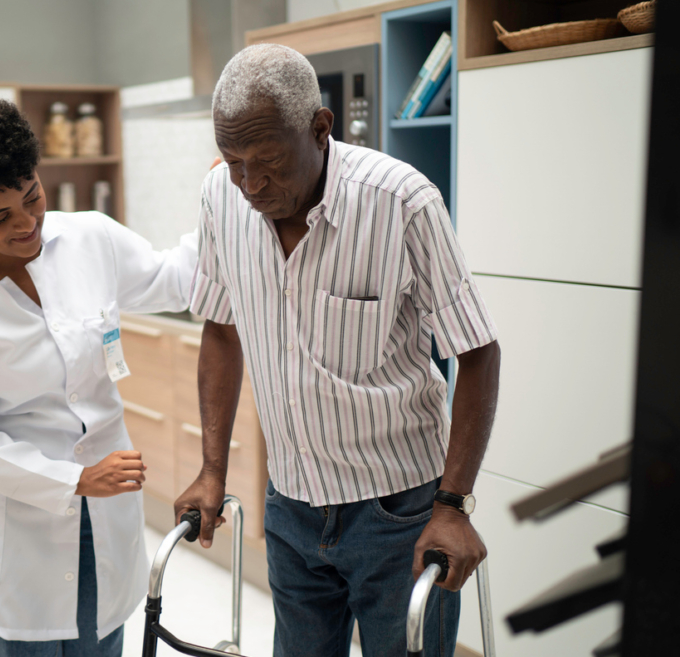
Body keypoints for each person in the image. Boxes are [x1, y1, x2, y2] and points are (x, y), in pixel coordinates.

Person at [174, 44, 501, 656]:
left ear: (320, 129)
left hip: (398, 513)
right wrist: (212, 469)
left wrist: (453, 504)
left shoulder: (402, 202)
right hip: (290, 504)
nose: (249, 184)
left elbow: (477, 351)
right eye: (233, 160)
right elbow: (220, 329)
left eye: (267, 162)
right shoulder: (220, 195)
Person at [0, 88, 198, 657]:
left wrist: (222, 200)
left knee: (101, 643)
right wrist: (75, 479)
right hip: (19, 518)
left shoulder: (90, 236)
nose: (26, 223)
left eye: (31, 196)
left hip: (107, 507)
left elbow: (174, 280)